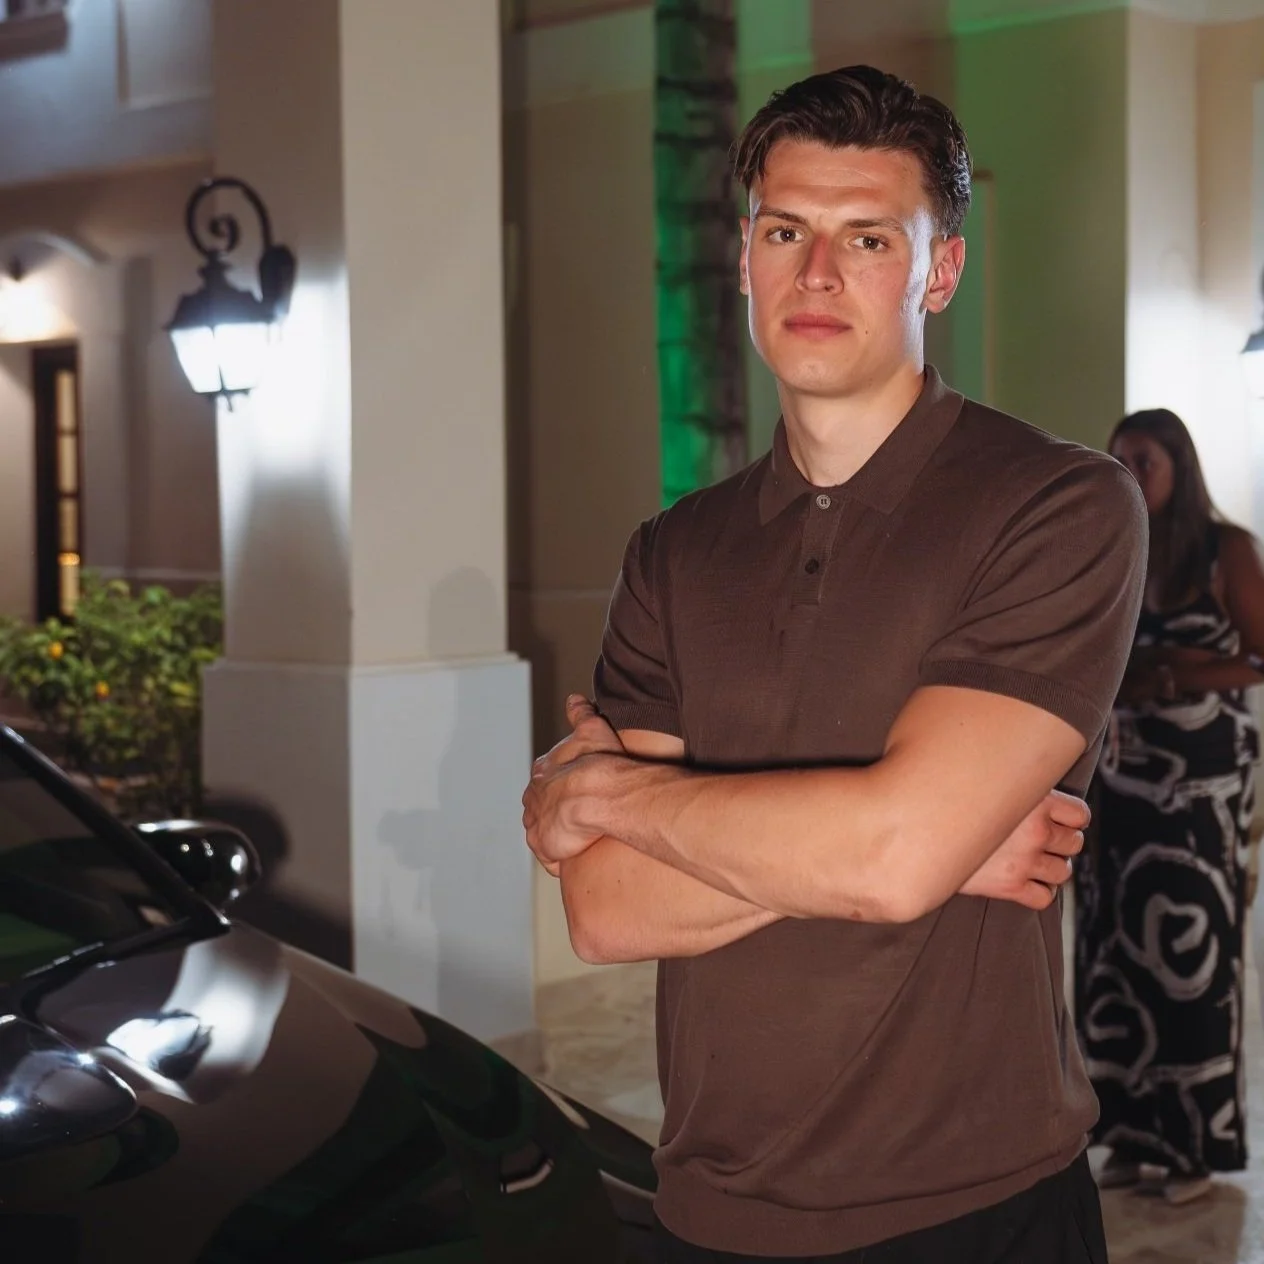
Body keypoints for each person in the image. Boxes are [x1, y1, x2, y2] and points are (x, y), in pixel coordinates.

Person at [523, 66, 1148, 1263]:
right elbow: (606, 908)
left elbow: (895, 855)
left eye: (867, 238)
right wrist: (922, 845)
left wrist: (603, 793)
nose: (815, 273)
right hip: (712, 1211)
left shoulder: (1058, 503)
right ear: (742, 256)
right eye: (784, 231)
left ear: (938, 272)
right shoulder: (673, 551)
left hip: (976, 1210)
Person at [1074, 408, 1264, 1206]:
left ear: (1179, 467)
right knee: (1111, 952)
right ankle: (1127, 1134)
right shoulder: (1117, 545)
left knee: (1193, 960)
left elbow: (1259, 659)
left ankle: (1191, 1148)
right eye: (1119, 459)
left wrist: (1174, 674)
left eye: (1145, 460)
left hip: (1201, 786)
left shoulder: (1226, 550)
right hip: (1119, 776)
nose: (1131, 473)